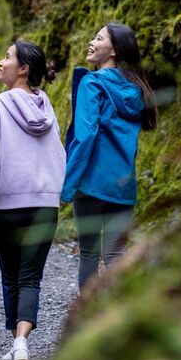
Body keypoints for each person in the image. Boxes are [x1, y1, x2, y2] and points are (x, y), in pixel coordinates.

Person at [0, 40, 64, 360]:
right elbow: (59, 155)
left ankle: (16, 345)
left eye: (7, 57)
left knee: (11, 277)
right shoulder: (47, 110)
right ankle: (21, 342)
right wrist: (57, 193)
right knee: (31, 277)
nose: (0, 61)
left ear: (23, 69)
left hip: (7, 208)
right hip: (45, 206)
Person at [62, 21, 156, 289]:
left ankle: (90, 321)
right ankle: (118, 319)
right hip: (124, 184)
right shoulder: (137, 89)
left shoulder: (92, 83)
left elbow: (86, 135)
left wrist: (68, 183)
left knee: (90, 255)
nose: (92, 42)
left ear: (113, 51)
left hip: (91, 183)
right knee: (116, 255)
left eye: (99, 38)